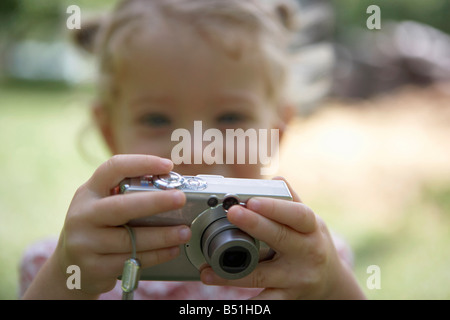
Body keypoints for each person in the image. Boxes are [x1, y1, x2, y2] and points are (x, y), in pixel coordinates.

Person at [20, 0, 366, 300]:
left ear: (275, 133)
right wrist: (70, 278)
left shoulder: (307, 262)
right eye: (156, 120)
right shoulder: (69, 264)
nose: (197, 150)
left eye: (230, 118)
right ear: (109, 133)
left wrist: (330, 287)